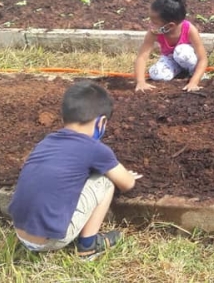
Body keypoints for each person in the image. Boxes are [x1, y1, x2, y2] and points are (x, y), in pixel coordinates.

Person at [8, 81, 142, 260]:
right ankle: (88, 247)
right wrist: (121, 174)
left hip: (19, 230)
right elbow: (127, 184)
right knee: (105, 181)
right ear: (101, 122)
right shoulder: (96, 149)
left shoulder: (46, 141)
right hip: (50, 240)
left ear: (64, 117)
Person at [134, 0, 208, 92]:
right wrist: (141, 81)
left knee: (182, 52)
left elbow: (203, 59)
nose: (151, 25)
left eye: (154, 22)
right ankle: (180, 72)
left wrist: (194, 82)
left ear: (170, 25)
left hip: (187, 58)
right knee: (156, 74)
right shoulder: (154, 32)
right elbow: (142, 57)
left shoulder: (189, 29)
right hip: (170, 59)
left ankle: (193, 72)